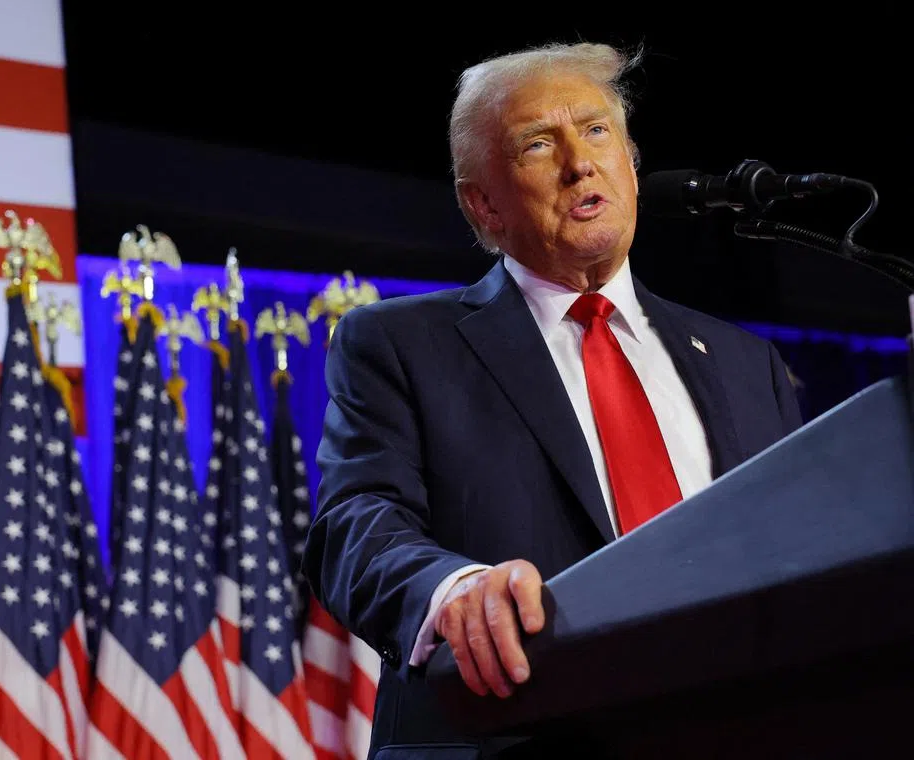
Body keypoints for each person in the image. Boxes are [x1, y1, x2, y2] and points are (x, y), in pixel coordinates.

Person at [302, 41, 803, 759]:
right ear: (483, 203)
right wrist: (453, 592)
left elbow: (793, 552)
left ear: (631, 163)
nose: (580, 163)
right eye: (538, 144)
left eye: (596, 130)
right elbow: (354, 525)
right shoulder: (400, 344)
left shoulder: (745, 363)